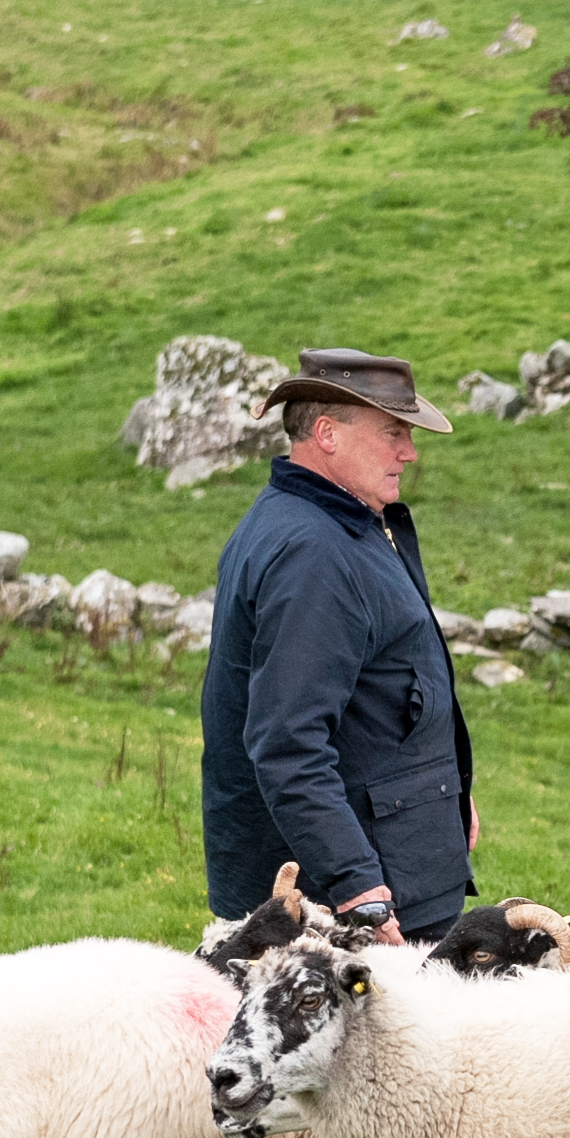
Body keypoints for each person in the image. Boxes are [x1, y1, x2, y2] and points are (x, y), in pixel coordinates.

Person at [199, 348, 477, 946]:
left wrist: (448, 799)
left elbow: (387, 692)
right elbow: (288, 743)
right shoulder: (313, 553)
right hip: (351, 899)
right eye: (393, 432)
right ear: (326, 433)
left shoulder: (340, 522)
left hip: (391, 854)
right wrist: (358, 892)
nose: (410, 451)